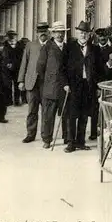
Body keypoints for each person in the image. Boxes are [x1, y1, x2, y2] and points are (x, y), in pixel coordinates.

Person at [62, 21, 102, 153]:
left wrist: (97, 87)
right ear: (77, 33)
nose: (83, 35)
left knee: (84, 114)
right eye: (81, 33)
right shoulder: (69, 47)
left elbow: (98, 69)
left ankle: (81, 141)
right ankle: (71, 143)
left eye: (85, 33)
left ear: (89, 34)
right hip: (73, 86)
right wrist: (65, 84)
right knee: (72, 115)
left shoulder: (95, 49)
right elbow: (62, 68)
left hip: (88, 86)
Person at [36, 21, 70, 149]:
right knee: (48, 115)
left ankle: (67, 137)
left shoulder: (67, 47)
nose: (60, 34)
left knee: (66, 114)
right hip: (50, 87)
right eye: (57, 32)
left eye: (62, 32)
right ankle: (47, 139)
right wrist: (49, 81)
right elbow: (40, 68)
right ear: (53, 33)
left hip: (65, 87)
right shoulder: (47, 47)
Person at [17, 22, 49, 143]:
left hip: (46, 84)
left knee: (46, 111)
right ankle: (30, 134)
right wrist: (21, 80)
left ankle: (45, 136)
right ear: (37, 33)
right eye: (40, 31)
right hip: (32, 83)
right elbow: (24, 63)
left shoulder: (51, 45)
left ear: (48, 32)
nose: (42, 33)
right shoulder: (30, 45)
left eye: (45, 30)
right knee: (32, 110)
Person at [3, 30, 23, 106]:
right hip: (7, 68)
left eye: (13, 35)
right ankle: (9, 100)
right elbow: (3, 56)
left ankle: (17, 100)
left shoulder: (19, 44)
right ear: (7, 36)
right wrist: (7, 63)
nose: (12, 36)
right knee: (8, 85)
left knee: (17, 85)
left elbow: (21, 56)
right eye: (10, 35)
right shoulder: (4, 44)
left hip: (17, 68)